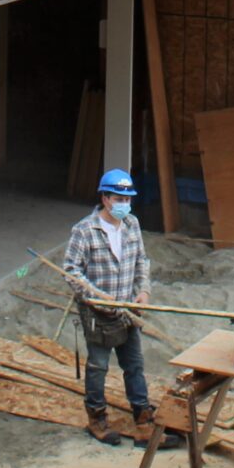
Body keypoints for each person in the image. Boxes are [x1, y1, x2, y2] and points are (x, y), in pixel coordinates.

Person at [63, 168, 165, 448]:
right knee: (98, 367)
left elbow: (141, 261)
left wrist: (143, 291)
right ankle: (97, 419)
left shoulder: (132, 224)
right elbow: (71, 271)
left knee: (134, 365)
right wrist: (96, 297)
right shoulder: (85, 230)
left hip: (127, 309)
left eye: (127, 199)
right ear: (105, 199)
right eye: (119, 199)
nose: (124, 204)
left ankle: (143, 420)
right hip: (97, 314)